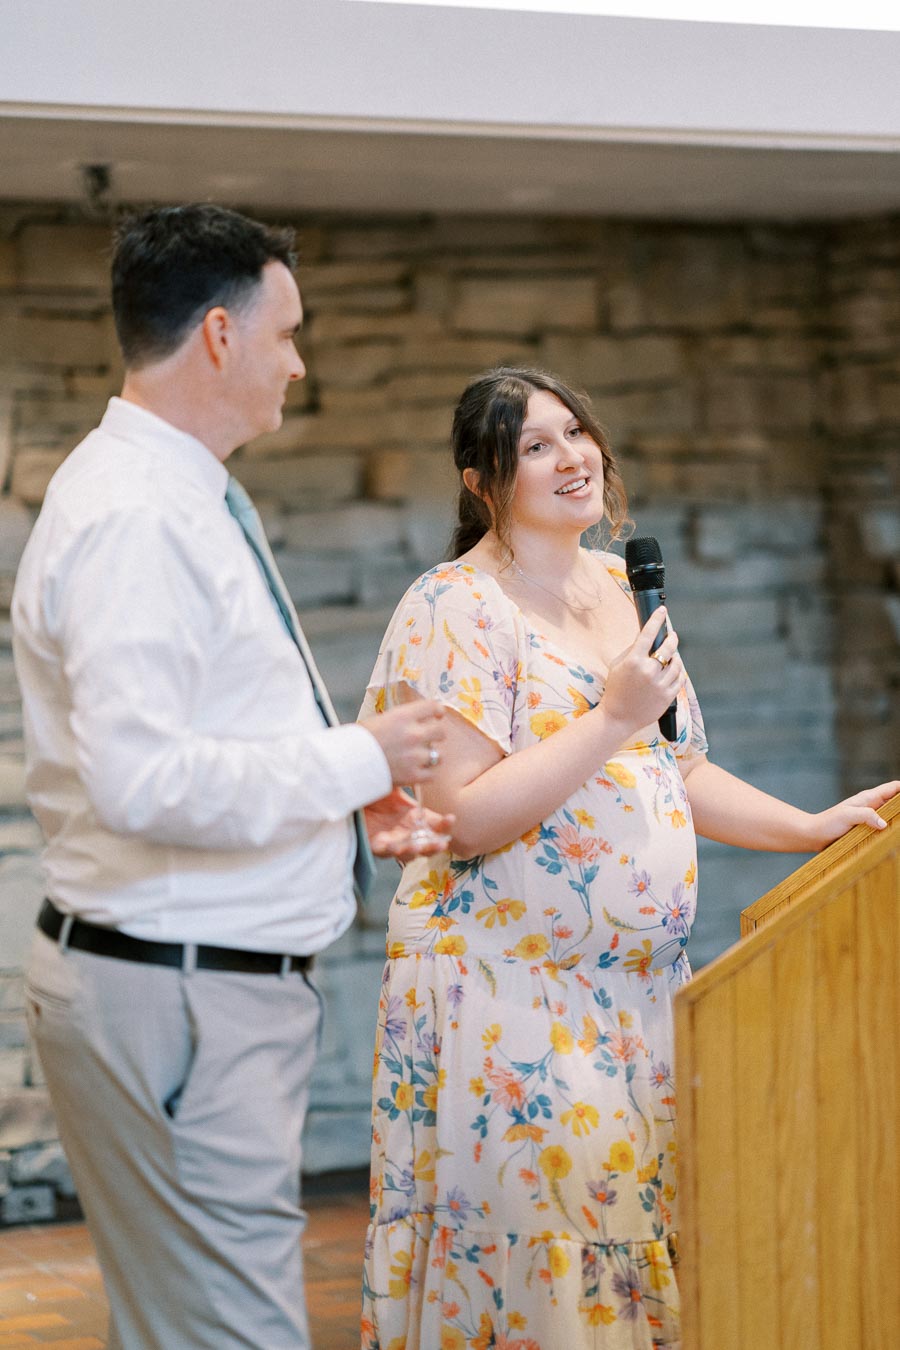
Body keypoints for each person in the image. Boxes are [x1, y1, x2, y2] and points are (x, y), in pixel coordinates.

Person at [358, 366, 898, 1350]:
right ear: (481, 482)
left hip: (636, 996)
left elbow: (676, 768)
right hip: (506, 996)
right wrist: (610, 716)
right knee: (543, 1260)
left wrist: (811, 826)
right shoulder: (457, 607)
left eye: (577, 433)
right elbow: (465, 820)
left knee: (642, 1246)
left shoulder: (620, 587)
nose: (572, 458)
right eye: (535, 445)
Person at [11, 203, 453, 1350]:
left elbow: (209, 725)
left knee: (183, 1326)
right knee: (230, 1334)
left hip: (191, 990)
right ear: (218, 334)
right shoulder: (137, 519)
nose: (297, 365)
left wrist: (348, 793)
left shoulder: (170, 493)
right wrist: (366, 753)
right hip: (184, 1000)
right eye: (288, 334)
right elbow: (142, 779)